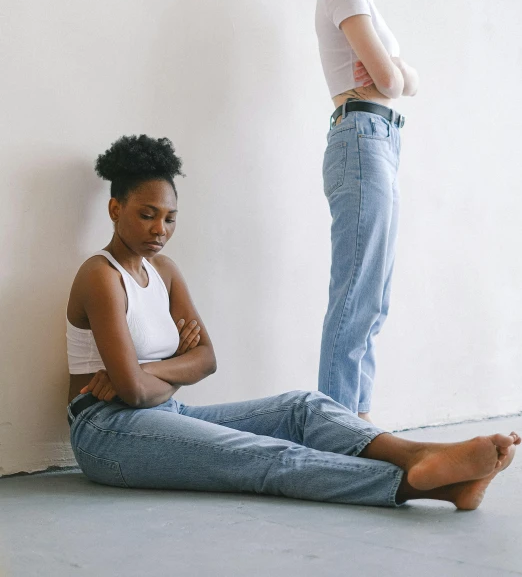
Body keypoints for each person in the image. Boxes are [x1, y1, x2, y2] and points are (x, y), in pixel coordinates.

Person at [66, 134, 519, 510]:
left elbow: (205, 361)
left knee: (302, 407)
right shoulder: (100, 276)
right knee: (264, 457)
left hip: (166, 413)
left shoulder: (165, 272)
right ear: (114, 209)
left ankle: (423, 458)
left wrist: (144, 373)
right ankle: (422, 484)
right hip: (106, 433)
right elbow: (133, 395)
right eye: (146, 215)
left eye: (169, 218)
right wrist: (155, 375)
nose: (159, 229)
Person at [316, 0, 418, 419]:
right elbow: (388, 79)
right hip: (362, 138)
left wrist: (396, 73)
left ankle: (356, 418)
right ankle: (338, 424)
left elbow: (404, 81)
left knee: (372, 296)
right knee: (357, 293)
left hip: (379, 137)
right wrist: (395, 73)